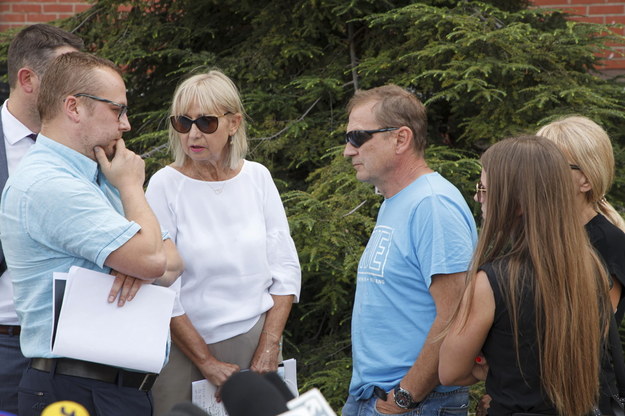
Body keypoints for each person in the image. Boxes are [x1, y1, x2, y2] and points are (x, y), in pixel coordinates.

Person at [0, 51, 183, 416]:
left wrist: (138, 259)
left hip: (108, 388)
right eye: (118, 110)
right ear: (74, 107)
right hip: (76, 390)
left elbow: (174, 263)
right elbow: (152, 260)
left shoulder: (97, 175)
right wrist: (132, 188)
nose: (126, 125)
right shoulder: (50, 183)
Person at [145, 70, 301, 415]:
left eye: (206, 122)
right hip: (185, 351)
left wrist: (269, 345)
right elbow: (161, 286)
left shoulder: (257, 177)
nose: (193, 134)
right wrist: (205, 361)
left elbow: (285, 268)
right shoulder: (165, 185)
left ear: (234, 123)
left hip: (255, 340)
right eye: (183, 122)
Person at [439, 136, 611, 416]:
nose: (477, 197)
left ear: (516, 202)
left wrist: (490, 369)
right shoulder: (591, 266)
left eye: (483, 188)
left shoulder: (493, 281)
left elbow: (449, 371)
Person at [341, 84, 477, 416]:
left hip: (416, 403)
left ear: (401, 138)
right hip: (377, 397)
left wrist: (406, 396)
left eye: (358, 137)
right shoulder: (398, 200)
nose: (348, 150)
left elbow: (455, 315)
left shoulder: (432, 204)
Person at [0, 24, 83, 414]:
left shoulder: (90, 145)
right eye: (65, 78)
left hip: (75, 349)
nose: (75, 92)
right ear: (27, 79)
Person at [537, 116, 625, 415]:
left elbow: (585, 335)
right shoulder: (542, 233)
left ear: (585, 180)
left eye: (551, 166)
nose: (539, 175)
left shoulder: (609, 243)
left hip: (580, 401)